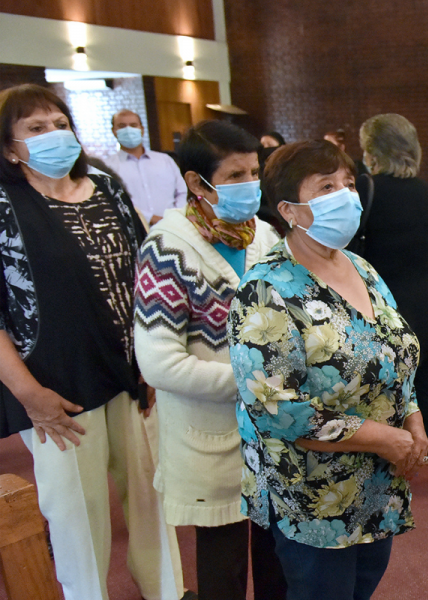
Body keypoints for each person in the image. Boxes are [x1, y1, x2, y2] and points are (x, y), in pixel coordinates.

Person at [0, 84, 187, 600]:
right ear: (10, 148)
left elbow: (146, 279)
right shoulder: (3, 204)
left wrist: (154, 360)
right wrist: (27, 394)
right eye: (35, 129)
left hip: (131, 371)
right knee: (76, 512)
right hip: (54, 385)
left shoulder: (105, 185)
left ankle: (167, 591)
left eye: (60, 124)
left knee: (152, 495)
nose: (54, 135)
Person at [227, 139, 427, 600]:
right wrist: (389, 439)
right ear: (290, 210)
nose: (346, 195)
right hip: (313, 493)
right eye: (326, 186)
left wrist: (413, 419)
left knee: (361, 589)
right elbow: (280, 412)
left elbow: (395, 352)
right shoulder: (265, 290)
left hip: (377, 482)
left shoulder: (362, 268)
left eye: (349, 183)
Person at [133, 120, 285, 600]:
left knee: (276, 561)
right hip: (209, 433)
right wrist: (254, 382)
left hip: (272, 431)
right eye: (235, 176)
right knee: (223, 571)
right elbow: (159, 363)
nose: (250, 185)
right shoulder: (168, 247)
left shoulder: (261, 235)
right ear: (197, 183)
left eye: (253, 172)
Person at [358, 113, 428, 491]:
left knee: (373, 391)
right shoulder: (419, 190)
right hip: (421, 303)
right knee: (426, 388)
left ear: (374, 151)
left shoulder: (367, 188)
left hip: (381, 303)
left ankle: (381, 472)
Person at [105, 109, 188, 225]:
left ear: (142, 130)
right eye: (122, 126)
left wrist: (176, 216)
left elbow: (182, 191)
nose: (128, 130)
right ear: (114, 131)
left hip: (175, 226)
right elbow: (115, 201)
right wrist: (150, 218)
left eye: (133, 125)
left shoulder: (165, 160)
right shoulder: (108, 167)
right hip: (137, 229)